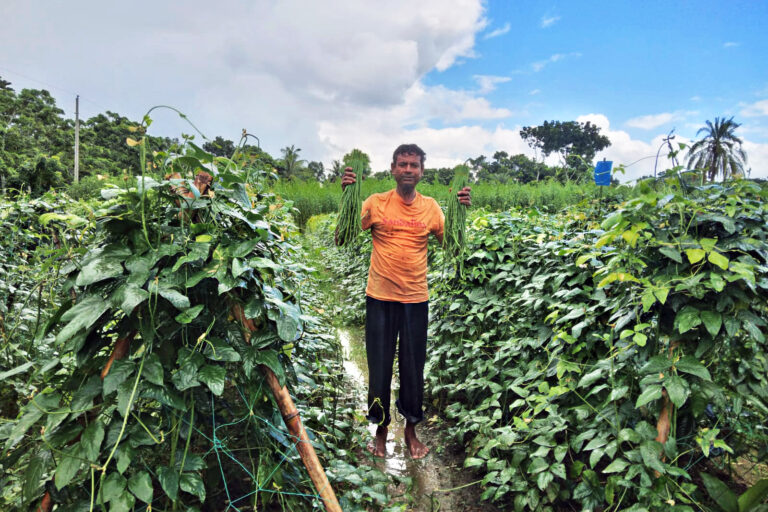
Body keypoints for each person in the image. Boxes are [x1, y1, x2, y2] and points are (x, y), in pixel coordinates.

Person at [338, 144, 471, 459]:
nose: (408, 169)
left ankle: (411, 431)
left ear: (422, 171)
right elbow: (342, 238)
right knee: (379, 368)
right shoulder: (376, 203)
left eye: (414, 165)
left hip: (415, 301)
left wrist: (460, 211)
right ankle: (381, 431)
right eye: (403, 164)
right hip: (380, 299)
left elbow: (452, 249)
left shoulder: (431, 208)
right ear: (393, 169)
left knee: (413, 369)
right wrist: (347, 197)